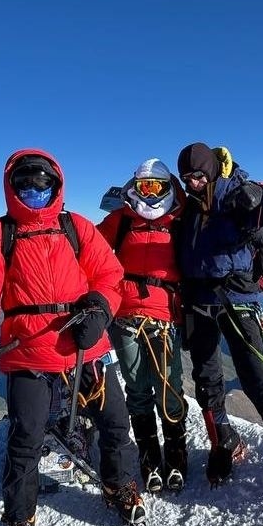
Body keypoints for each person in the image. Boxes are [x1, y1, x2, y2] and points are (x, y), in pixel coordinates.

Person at [0, 148, 146, 526]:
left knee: (115, 421)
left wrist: (99, 309)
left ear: (56, 185)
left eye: (43, 183)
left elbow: (108, 275)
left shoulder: (76, 227)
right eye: (25, 184)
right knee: (25, 439)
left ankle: (118, 485)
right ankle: (19, 521)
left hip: (84, 347)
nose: (34, 190)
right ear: (12, 187)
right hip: (28, 353)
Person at [175, 141, 263, 500]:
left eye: (198, 176)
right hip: (198, 302)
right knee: (206, 381)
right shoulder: (188, 205)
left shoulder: (239, 193)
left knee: (259, 381)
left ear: (210, 170)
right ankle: (223, 445)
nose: (192, 183)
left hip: (237, 300)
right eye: (186, 178)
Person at [97, 158, 188, 494]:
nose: (149, 194)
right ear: (134, 186)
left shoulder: (179, 221)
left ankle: (176, 456)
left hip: (165, 316)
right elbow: (89, 248)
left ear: (167, 188)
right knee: (137, 389)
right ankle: (150, 458)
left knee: (169, 387)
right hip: (125, 317)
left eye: (156, 187)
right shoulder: (121, 220)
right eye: (143, 186)